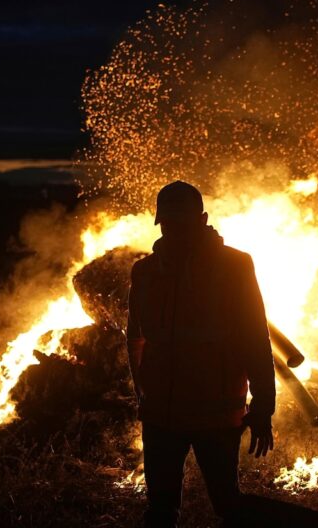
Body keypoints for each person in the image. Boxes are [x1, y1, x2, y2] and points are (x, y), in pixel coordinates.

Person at [126, 180, 276, 527]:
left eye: (182, 223)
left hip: (217, 418)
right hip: (162, 418)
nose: (175, 232)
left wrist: (263, 405)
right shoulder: (145, 272)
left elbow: (255, 337)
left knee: (228, 506)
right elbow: (135, 339)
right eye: (168, 224)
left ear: (203, 219)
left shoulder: (235, 266)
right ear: (160, 223)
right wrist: (143, 394)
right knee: (160, 511)